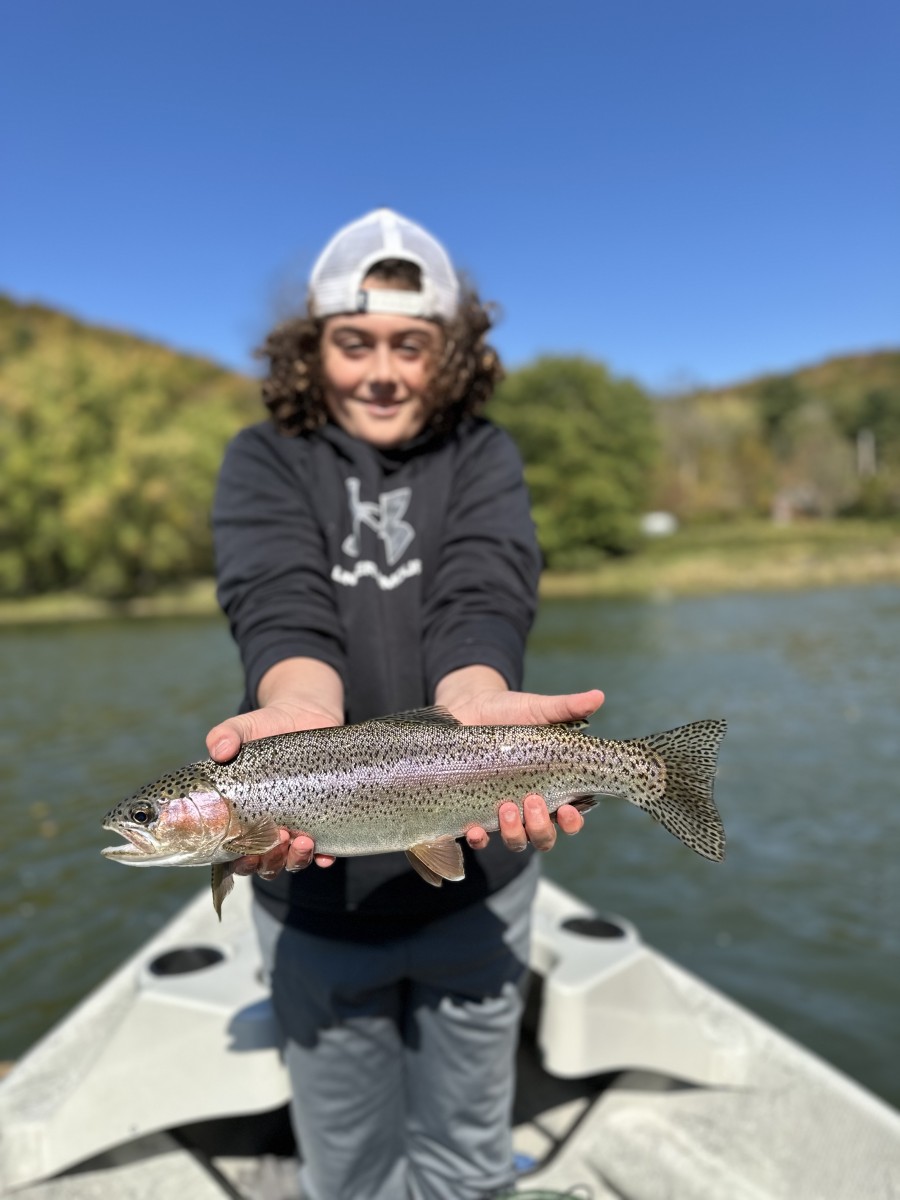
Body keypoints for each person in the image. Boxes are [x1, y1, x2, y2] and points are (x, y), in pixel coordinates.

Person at [206, 208, 603, 1200]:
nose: (381, 371)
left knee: (469, 1150)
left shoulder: (483, 455)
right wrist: (298, 709)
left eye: (410, 345)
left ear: (449, 353)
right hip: (316, 905)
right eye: (355, 342)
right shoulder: (265, 461)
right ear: (314, 349)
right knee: (346, 1163)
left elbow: (483, 589)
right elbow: (282, 605)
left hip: (479, 873)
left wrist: (478, 695)